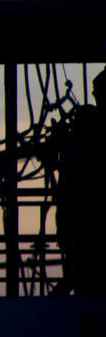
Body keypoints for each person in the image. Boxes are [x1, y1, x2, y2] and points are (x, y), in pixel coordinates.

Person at [52, 67, 105, 296]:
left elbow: (68, 185)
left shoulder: (77, 142)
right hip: (86, 219)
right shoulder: (78, 142)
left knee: (86, 275)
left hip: (85, 220)